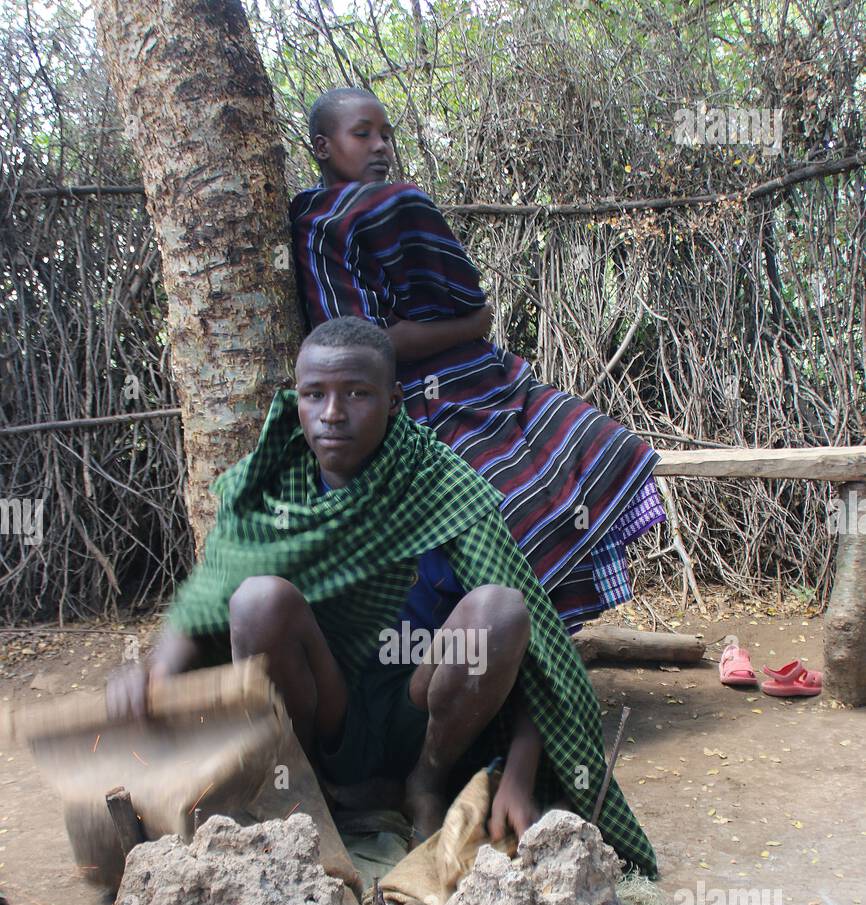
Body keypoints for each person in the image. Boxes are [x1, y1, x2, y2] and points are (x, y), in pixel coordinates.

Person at [108, 317, 655, 876]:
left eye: (357, 394)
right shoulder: (270, 481)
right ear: (295, 400)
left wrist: (519, 771)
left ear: (394, 401)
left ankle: (425, 787)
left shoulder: (439, 482)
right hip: (324, 711)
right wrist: (154, 675)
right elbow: (206, 598)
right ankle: (305, 791)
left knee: (501, 611)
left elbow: (539, 648)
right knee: (256, 601)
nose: (332, 414)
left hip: (422, 711)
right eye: (314, 395)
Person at [291, 87, 666, 635]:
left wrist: (470, 326)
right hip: (407, 396)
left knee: (599, 444)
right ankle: (509, 642)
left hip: (479, 379)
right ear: (322, 146)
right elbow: (364, 348)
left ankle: (533, 640)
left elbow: (439, 294)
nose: (381, 148)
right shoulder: (329, 219)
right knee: (498, 504)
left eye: (387, 135)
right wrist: (472, 323)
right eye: (363, 133)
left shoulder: (384, 205)